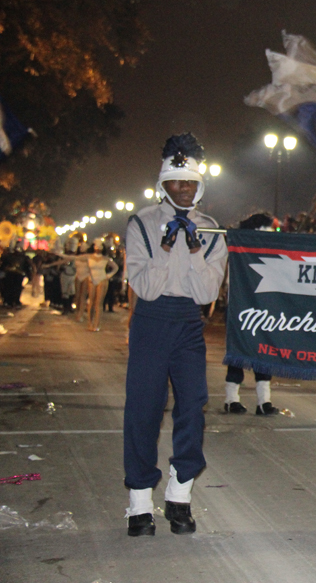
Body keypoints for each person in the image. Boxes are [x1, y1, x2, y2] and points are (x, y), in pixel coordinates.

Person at [123, 133, 227, 537]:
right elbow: (144, 287)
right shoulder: (142, 223)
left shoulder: (212, 230)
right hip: (151, 318)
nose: (182, 190)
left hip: (187, 322)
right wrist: (165, 250)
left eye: (189, 183)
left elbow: (205, 294)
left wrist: (196, 250)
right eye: (175, 182)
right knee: (143, 411)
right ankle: (138, 503)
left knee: (192, 408)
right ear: (163, 183)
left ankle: (180, 494)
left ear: (199, 185)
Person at [224, 212, 279, 416]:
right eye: (268, 227)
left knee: (265, 352)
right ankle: (231, 399)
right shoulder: (239, 249)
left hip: (264, 306)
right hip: (240, 307)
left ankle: (264, 401)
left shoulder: (269, 249)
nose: (271, 232)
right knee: (238, 353)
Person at [79, 238, 118, 332]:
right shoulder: (89, 257)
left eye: (100, 247)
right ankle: (90, 323)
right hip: (92, 279)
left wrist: (108, 275)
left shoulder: (105, 259)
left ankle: (97, 324)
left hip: (102, 279)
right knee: (91, 302)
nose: (98, 249)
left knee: (98, 303)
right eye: (96, 246)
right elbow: (75, 258)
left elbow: (115, 267)